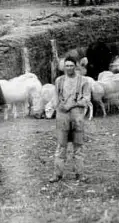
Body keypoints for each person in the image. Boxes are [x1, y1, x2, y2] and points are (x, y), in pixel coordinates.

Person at [49, 55, 92, 183]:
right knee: (61, 146)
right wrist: (58, 106)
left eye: (71, 66)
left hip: (77, 116)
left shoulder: (84, 81)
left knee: (78, 146)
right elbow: (55, 98)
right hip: (62, 116)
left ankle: (80, 174)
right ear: (64, 67)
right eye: (66, 66)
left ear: (75, 66)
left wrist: (73, 104)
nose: (69, 68)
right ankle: (57, 174)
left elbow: (86, 99)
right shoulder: (59, 81)